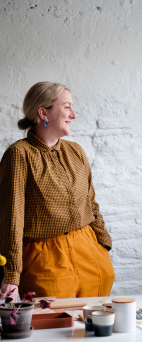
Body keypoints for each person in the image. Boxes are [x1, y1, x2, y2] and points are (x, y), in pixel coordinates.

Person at [0, 82, 115, 301]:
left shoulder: (76, 151)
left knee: (95, 327)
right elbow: (11, 219)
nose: (74, 114)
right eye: (67, 107)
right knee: (54, 329)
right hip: (46, 261)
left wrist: (103, 243)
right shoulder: (19, 155)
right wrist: (12, 275)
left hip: (90, 253)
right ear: (43, 112)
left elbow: (91, 202)